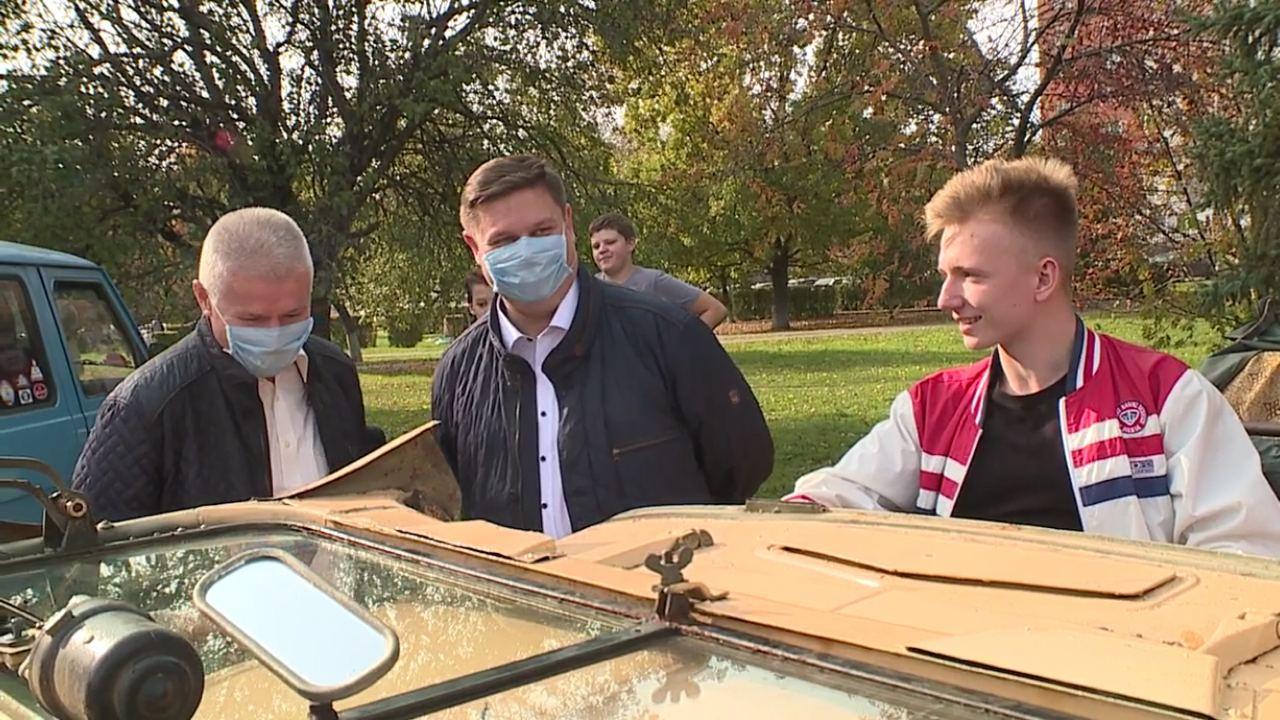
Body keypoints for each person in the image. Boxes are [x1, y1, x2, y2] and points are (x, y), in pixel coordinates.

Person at [785, 156, 1280, 557]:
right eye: (946, 275)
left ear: (1044, 278)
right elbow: (836, 498)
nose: (945, 298)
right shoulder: (932, 408)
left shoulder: (1166, 398)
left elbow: (1243, 553)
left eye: (970, 276)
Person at [431, 155, 773, 538]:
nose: (526, 252)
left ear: (568, 223)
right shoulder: (458, 374)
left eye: (542, 232)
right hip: (520, 578)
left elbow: (742, 465)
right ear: (474, 248)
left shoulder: (667, 336)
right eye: (504, 241)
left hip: (655, 575)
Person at [72, 207, 384, 522]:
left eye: (293, 315)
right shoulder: (145, 407)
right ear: (204, 299)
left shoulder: (335, 374)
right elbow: (96, 541)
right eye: (252, 319)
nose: (275, 334)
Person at [590, 213, 728, 329]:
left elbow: (715, 310)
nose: (602, 250)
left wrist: (681, 345)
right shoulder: (589, 288)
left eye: (610, 242)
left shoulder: (653, 281)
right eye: (596, 246)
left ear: (630, 244)